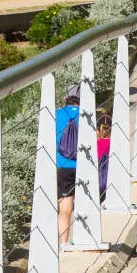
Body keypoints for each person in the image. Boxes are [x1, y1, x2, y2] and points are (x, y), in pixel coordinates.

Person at [54, 84, 81, 243]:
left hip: (63, 165)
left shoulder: (57, 114)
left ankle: (64, 243)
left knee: (65, 209)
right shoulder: (87, 115)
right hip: (83, 165)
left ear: (65, 99)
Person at [96, 111, 113, 203]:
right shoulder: (115, 145)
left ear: (97, 130)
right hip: (111, 182)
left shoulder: (95, 146)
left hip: (97, 184)